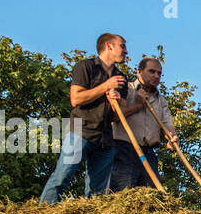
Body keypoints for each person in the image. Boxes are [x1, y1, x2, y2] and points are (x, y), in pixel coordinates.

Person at [39, 32, 128, 203]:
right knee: (62, 177)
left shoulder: (121, 78)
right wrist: (105, 86)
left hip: (105, 137)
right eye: (122, 46)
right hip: (80, 131)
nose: (126, 51)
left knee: (98, 190)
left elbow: (120, 115)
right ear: (108, 46)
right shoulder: (85, 67)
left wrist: (117, 101)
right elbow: (76, 99)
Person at [109, 56, 177, 192]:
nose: (156, 76)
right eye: (152, 71)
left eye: (159, 73)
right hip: (123, 149)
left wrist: (172, 138)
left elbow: (167, 124)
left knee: (151, 197)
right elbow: (114, 116)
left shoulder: (161, 100)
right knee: (121, 194)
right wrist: (137, 106)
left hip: (148, 152)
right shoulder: (125, 89)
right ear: (139, 71)